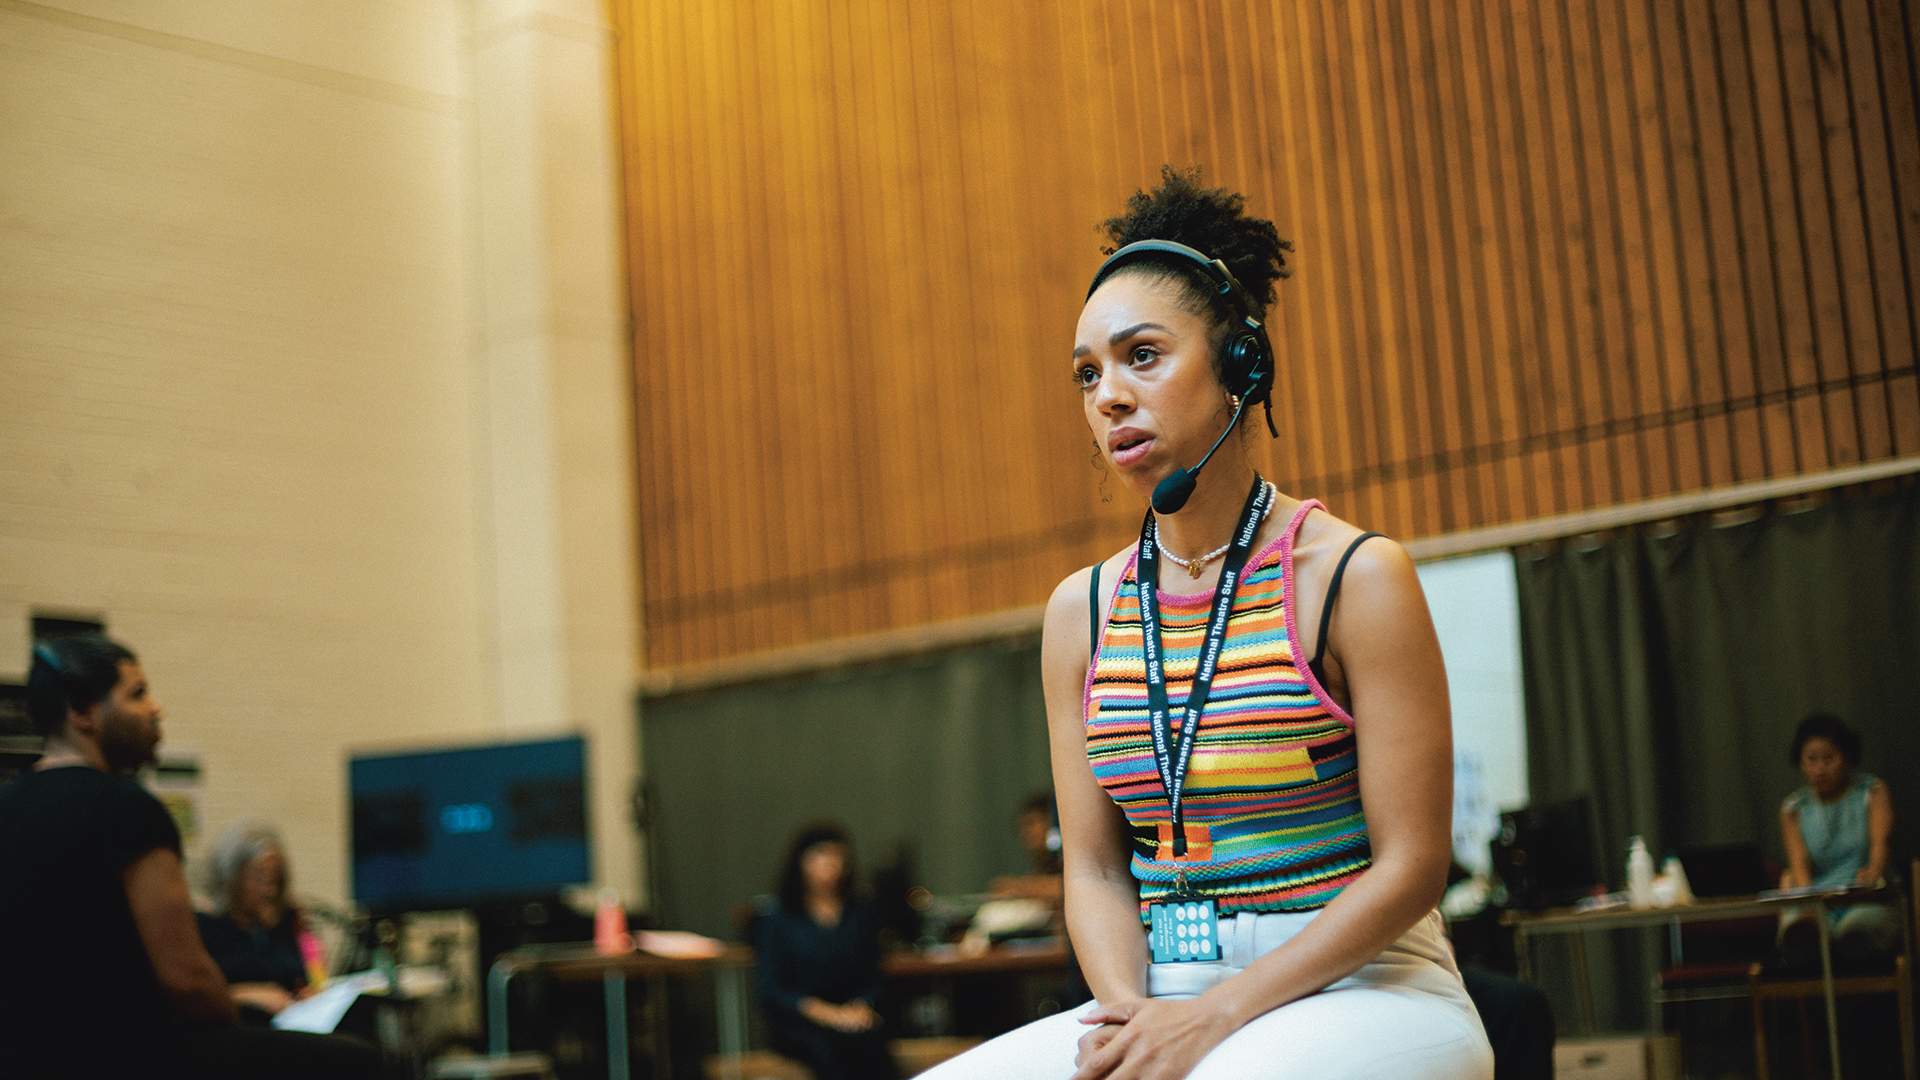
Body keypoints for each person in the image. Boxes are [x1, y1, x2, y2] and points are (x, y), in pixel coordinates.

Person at [923, 168, 1492, 1080]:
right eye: (1087, 373)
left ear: (1241, 365)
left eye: (1141, 355)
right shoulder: (1082, 612)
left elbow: (1415, 865)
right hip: (1161, 989)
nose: (1107, 395)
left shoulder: (1355, 577)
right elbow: (1099, 874)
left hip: (1368, 985)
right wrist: (1135, 1017)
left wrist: (1213, 1020)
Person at [0, 634, 386, 1079]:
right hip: (124, 1056)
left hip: (26, 1058)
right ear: (82, 711)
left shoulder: (8, 807)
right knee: (357, 1061)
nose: (156, 709)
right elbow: (188, 982)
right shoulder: (125, 806)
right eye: (137, 695)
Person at [753, 821, 898, 1080]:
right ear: (801, 861)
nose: (831, 863)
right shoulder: (779, 917)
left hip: (852, 1013)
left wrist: (863, 1005)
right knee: (830, 1048)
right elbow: (772, 988)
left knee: (872, 1043)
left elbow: (875, 974)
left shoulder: (860, 912)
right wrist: (825, 1013)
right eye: (821, 854)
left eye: (838, 855)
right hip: (804, 1021)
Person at [1776, 712, 1900, 969]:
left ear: (1847, 757)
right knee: (1799, 939)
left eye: (1829, 759)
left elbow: (1881, 846)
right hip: (1816, 900)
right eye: (1811, 760)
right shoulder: (1793, 808)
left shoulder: (1873, 792)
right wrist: (1809, 904)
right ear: (1800, 762)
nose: (1820, 768)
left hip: (1867, 898)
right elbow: (1799, 866)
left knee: (1855, 933)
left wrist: (1873, 873)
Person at [197, 820, 314, 1024]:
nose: (269, 890)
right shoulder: (204, 924)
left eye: (274, 881)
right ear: (232, 877)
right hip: (234, 1029)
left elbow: (299, 977)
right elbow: (193, 995)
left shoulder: (282, 922)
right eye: (259, 879)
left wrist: (304, 994)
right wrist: (245, 994)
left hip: (286, 1026)